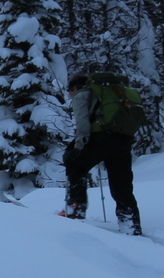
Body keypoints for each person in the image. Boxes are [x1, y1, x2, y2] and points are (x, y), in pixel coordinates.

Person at [61, 73, 143, 235]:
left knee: (75, 164)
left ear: (76, 87)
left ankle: (75, 208)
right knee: (121, 182)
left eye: (70, 91)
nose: (71, 95)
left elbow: (82, 123)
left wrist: (78, 147)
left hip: (101, 138)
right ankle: (130, 223)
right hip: (123, 140)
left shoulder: (82, 94)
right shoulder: (108, 94)